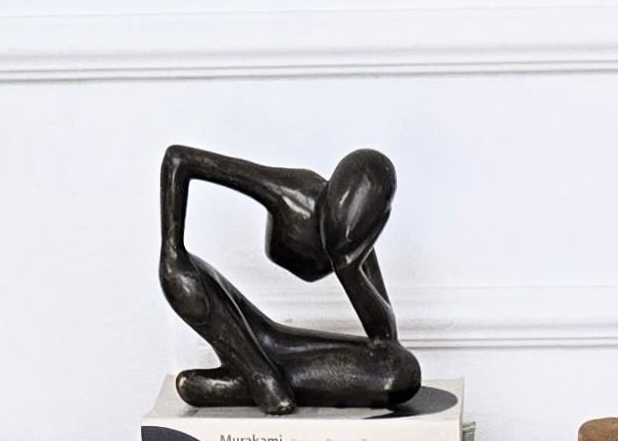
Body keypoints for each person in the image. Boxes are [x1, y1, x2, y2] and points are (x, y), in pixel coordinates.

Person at [157, 143, 423, 413]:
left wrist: (350, 270)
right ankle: (258, 374)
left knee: (400, 369)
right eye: (329, 236)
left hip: (274, 341)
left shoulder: (355, 236)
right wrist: (171, 245)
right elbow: (179, 158)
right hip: (242, 327)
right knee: (178, 274)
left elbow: (385, 338)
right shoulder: (290, 191)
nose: (335, 252)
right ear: (327, 202)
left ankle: (248, 380)